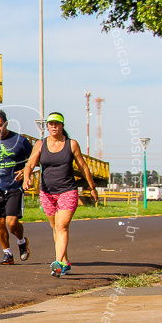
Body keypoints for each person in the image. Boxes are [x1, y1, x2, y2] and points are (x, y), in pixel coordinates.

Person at [23, 112, 99, 277]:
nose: (53, 126)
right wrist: (26, 178)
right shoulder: (40, 144)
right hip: (47, 192)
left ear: (62, 126)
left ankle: (57, 264)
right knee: (55, 227)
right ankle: (65, 262)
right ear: (48, 126)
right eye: (51, 124)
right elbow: (30, 164)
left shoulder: (71, 144)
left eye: (57, 124)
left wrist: (92, 187)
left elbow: (84, 167)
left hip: (68, 191)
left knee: (61, 226)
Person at [0, 109, 33, 265]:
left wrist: (25, 171)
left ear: (6, 124)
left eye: (0, 125)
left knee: (11, 222)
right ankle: (7, 254)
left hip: (15, 186)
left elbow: (35, 159)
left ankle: (22, 242)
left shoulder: (20, 141)